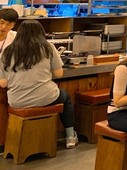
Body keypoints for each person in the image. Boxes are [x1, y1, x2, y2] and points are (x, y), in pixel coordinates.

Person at [0, 20, 79, 148]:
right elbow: (59, 73)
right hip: (47, 97)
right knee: (65, 97)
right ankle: (70, 136)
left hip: (17, 101)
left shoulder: (7, 51)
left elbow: (3, 83)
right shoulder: (48, 47)